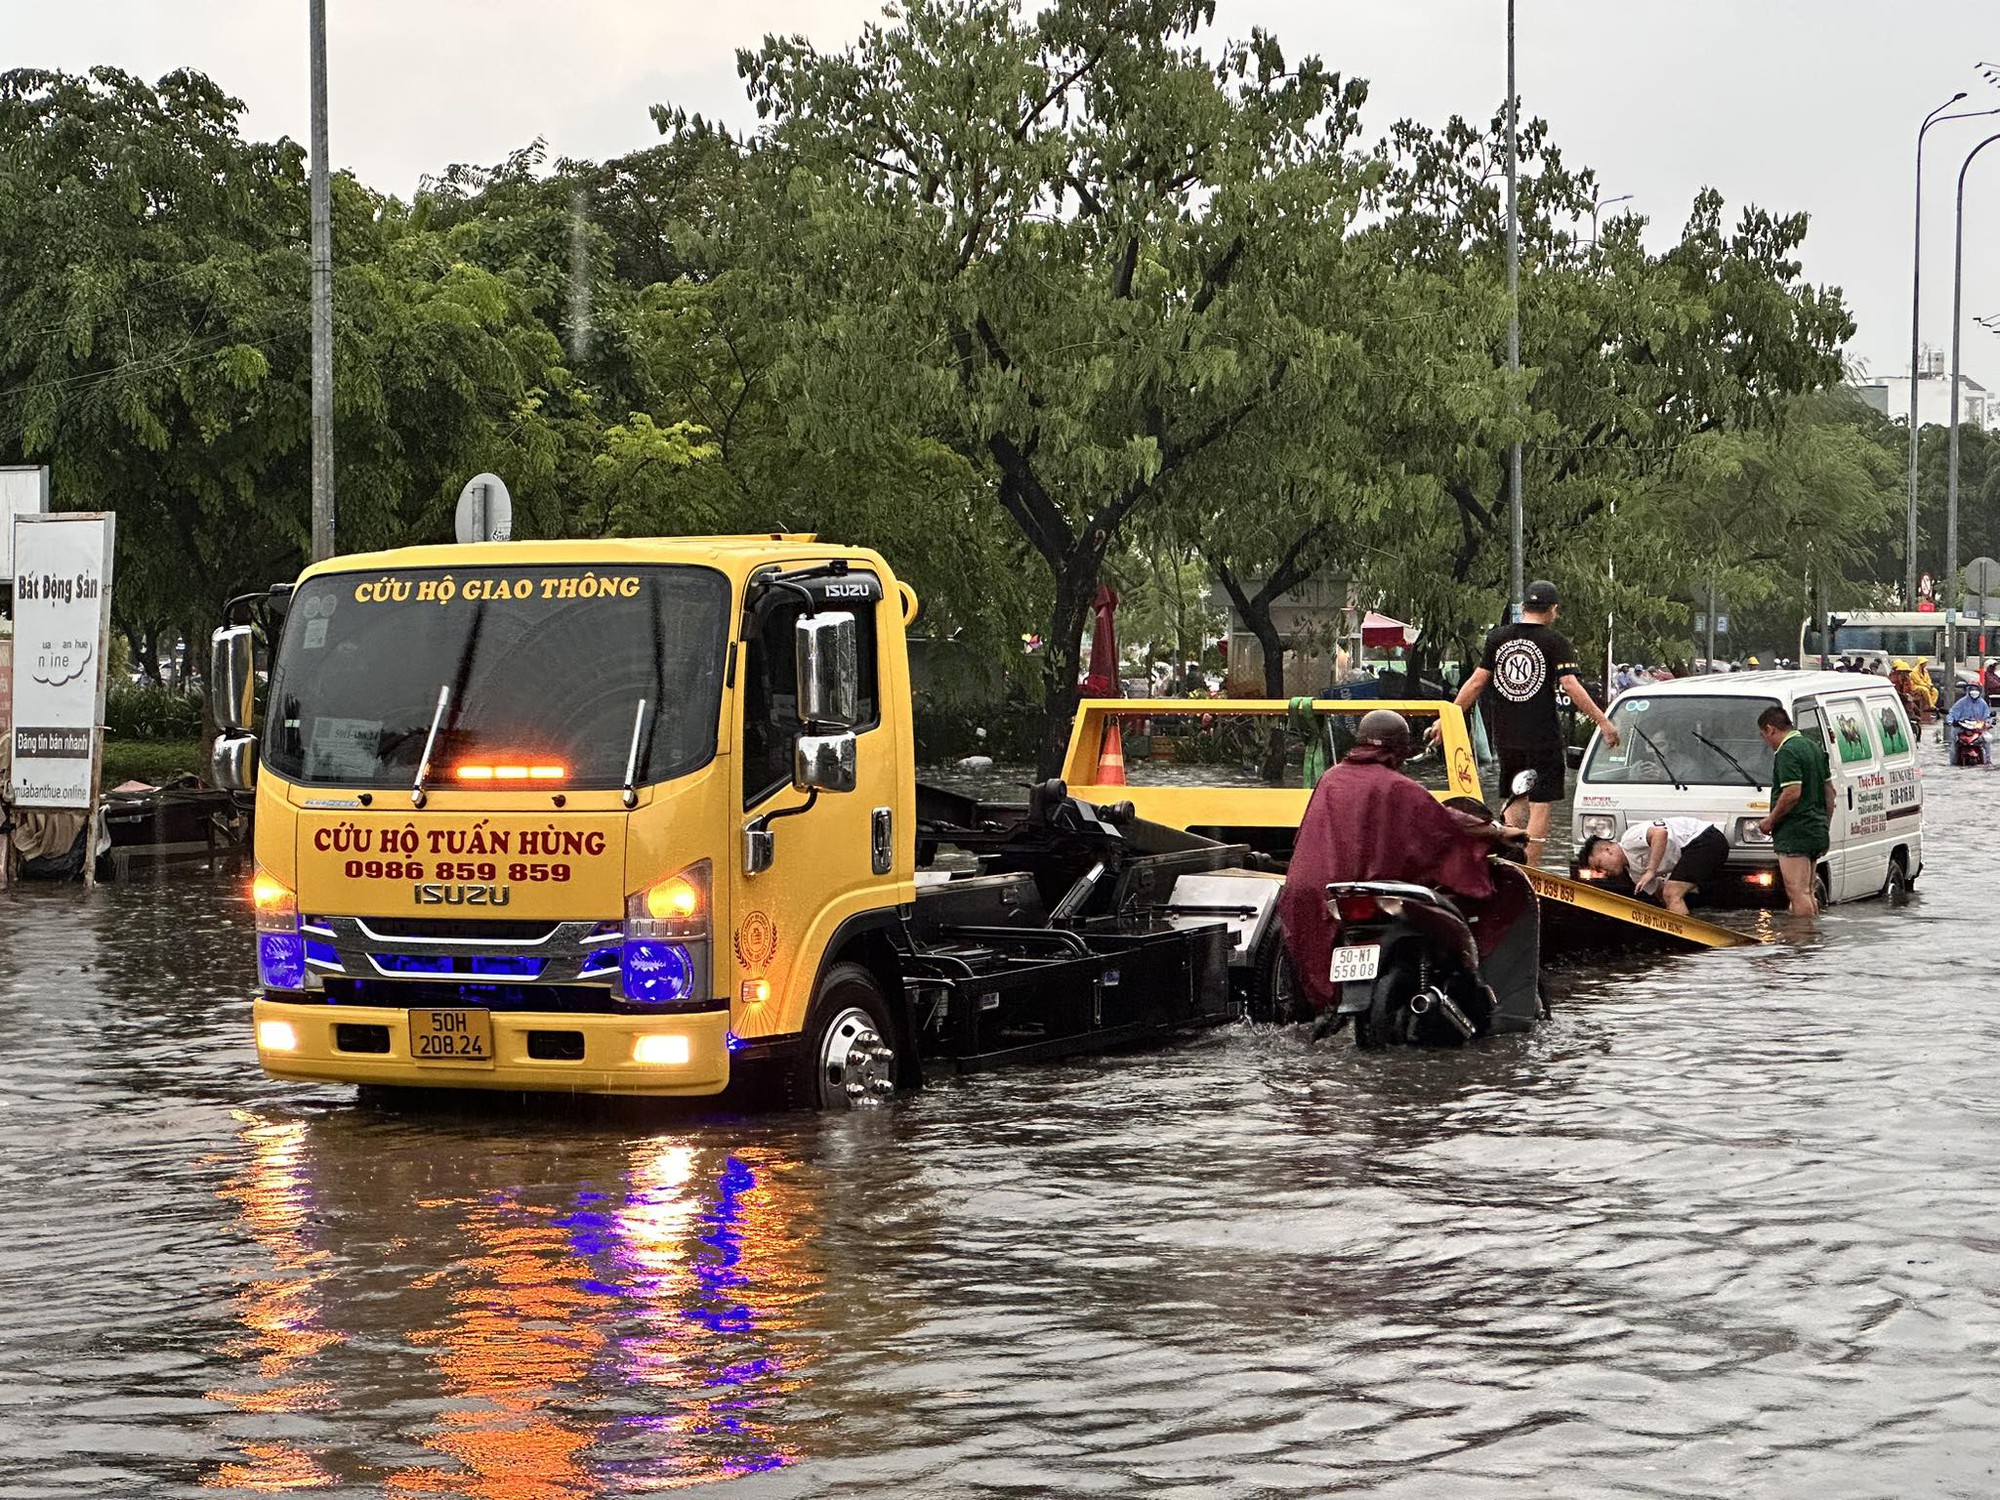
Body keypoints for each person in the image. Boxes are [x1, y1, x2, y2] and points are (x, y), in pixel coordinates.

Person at [1280, 710, 1525, 1010]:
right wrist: (1495, 833)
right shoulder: (1396, 786)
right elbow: (1443, 824)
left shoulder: (1330, 779)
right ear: (1399, 750)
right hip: (1364, 891)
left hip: (1310, 892)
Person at [1438, 580, 1619, 853]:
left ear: (1524, 607)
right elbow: (1570, 685)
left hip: (1506, 735)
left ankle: (1509, 863)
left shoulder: (1497, 638)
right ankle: (1532, 874)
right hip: (1542, 735)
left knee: (1514, 796)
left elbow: (1476, 683)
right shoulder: (1555, 642)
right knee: (1540, 803)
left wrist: (1447, 719)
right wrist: (1603, 722)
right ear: (1553, 610)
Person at [1755, 706, 1833, 917]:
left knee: (1797, 893)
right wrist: (1824, 824)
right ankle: (1811, 940)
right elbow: (1830, 793)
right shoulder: (1813, 747)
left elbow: (1792, 792)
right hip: (1815, 828)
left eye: (1764, 735)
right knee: (1807, 892)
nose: (1767, 742)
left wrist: (1770, 820)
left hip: (1795, 831)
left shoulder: (1787, 751)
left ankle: (1802, 942)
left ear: (1771, 729)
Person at [1578, 817, 1729, 916]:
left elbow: (1660, 834)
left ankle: (1689, 938)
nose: (1603, 872)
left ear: (1608, 850)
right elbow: (1661, 895)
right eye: (1598, 871)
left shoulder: (1629, 839)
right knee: (1672, 896)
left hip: (1706, 839)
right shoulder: (1634, 875)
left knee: (1672, 893)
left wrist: (1651, 870)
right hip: (1694, 853)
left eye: (1599, 865)